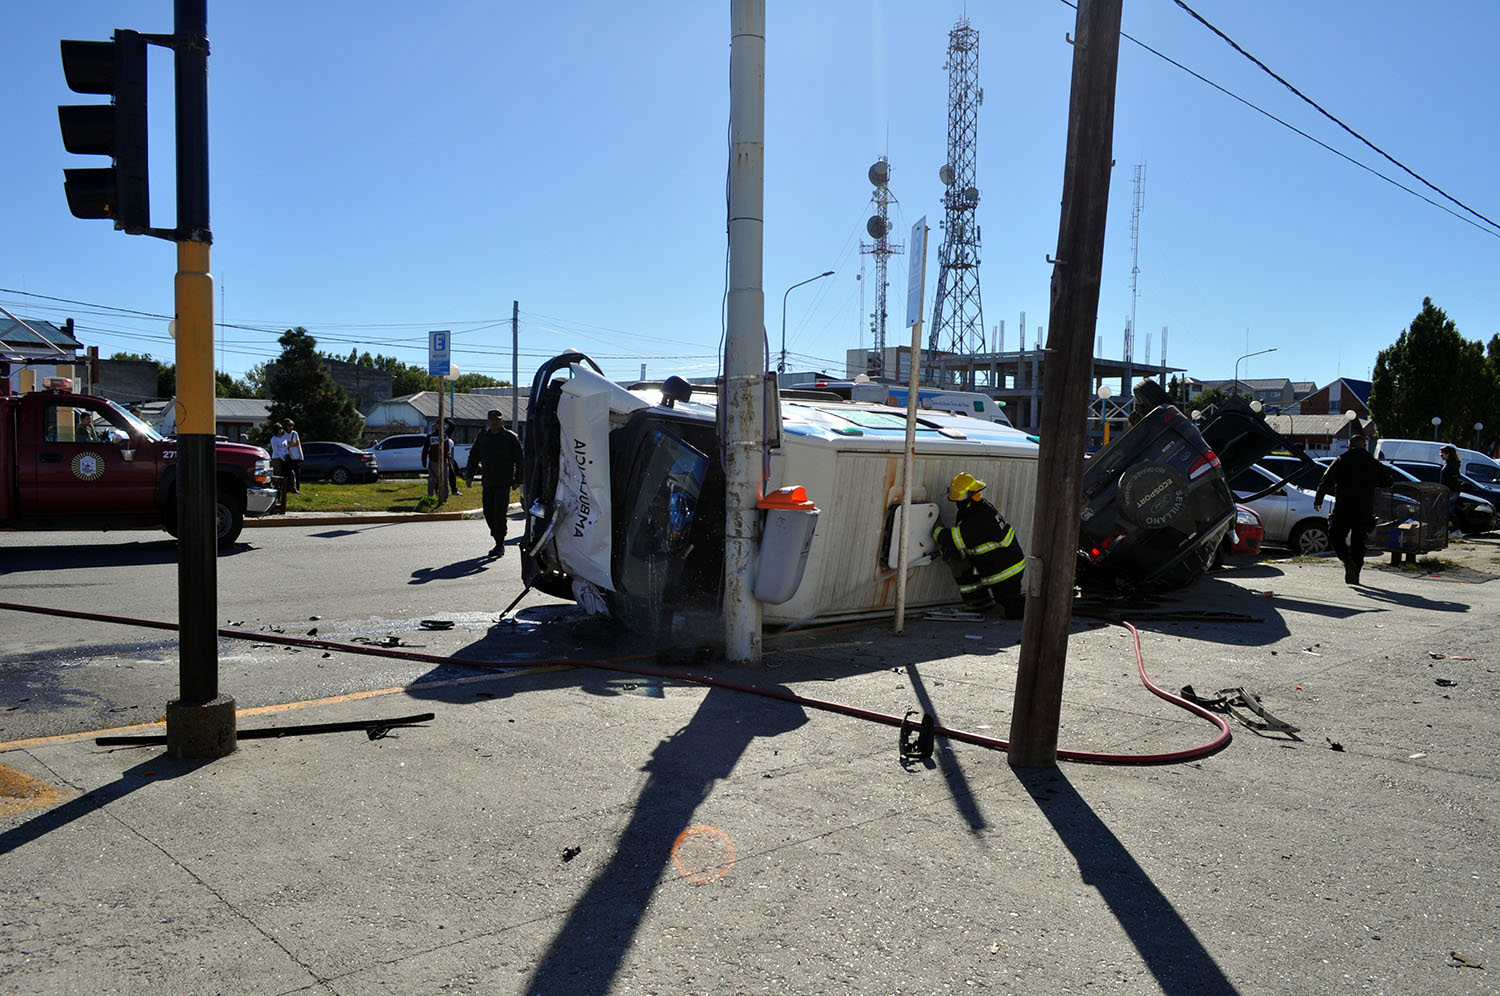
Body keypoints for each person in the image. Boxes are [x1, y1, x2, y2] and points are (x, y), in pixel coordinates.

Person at [931, 472, 1026, 618]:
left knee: (1012, 612)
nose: (957, 502)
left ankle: (1044, 608)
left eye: (959, 498)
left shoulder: (980, 516)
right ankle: (979, 603)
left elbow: (957, 538)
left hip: (1007, 571)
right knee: (955, 556)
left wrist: (936, 530)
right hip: (994, 565)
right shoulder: (975, 508)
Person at [1314, 433, 1392, 585]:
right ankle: (1355, 571)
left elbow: (1326, 480)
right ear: (1364, 446)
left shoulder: (1342, 460)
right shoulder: (1373, 462)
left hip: (1344, 506)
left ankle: (1347, 561)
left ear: (1349, 445)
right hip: (1365, 508)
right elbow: (1388, 482)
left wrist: (1319, 499)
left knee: (1336, 535)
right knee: (1359, 540)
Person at [465, 409, 524, 557]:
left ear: (502, 421)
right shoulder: (483, 437)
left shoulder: (510, 437)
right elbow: (473, 456)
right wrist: (469, 476)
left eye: (498, 420)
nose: (495, 422)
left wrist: (518, 480)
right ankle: (497, 536)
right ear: (488, 421)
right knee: (488, 513)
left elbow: (520, 460)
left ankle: (499, 543)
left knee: (499, 514)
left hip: (504, 483)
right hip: (488, 482)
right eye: (492, 420)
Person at [423, 420, 458, 497]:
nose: (440, 426)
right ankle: (430, 497)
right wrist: (424, 460)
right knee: (432, 480)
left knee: (445, 480)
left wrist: (445, 420)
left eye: (442, 424)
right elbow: (425, 449)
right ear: (436, 426)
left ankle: (444, 497)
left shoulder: (446, 434)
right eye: (438, 424)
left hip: (444, 461)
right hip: (433, 461)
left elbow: (452, 426)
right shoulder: (430, 436)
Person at [1440, 444, 1463, 534]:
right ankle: (1454, 530)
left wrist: (1446, 489)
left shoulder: (1451, 465)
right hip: (1451, 490)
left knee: (1449, 511)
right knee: (1448, 511)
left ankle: (1456, 530)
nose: (1441, 455)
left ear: (1448, 454)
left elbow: (1452, 479)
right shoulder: (1452, 464)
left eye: (1442, 453)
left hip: (1451, 490)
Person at [268, 422, 291, 496]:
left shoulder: (284, 438)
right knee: (277, 474)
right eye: (279, 429)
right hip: (277, 458)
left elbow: (286, 448)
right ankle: (276, 490)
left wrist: (286, 456)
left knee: (285, 474)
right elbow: (276, 450)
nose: (281, 430)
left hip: (285, 457)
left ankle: (284, 490)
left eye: (281, 429)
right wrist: (282, 458)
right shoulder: (274, 439)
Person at [283, 419, 304, 494]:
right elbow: (283, 445)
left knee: (297, 474)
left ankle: (297, 489)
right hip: (287, 457)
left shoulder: (294, 434)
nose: (291, 427)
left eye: (292, 425)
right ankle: (288, 489)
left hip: (296, 457)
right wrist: (290, 444)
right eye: (289, 425)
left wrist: (301, 456)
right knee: (288, 474)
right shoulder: (283, 434)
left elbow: (298, 444)